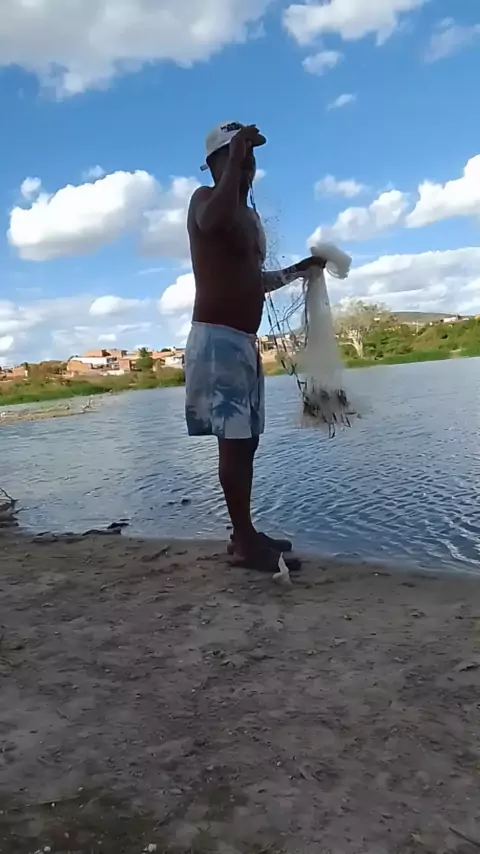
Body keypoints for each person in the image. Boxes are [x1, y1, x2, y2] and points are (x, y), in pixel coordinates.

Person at [185, 121, 325, 571]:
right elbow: (213, 221)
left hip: (245, 343)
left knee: (248, 442)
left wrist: (298, 271)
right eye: (237, 155)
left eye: (251, 157)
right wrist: (234, 164)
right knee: (234, 442)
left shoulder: (250, 218)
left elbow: (254, 281)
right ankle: (246, 543)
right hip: (217, 340)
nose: (248, 164)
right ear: (215, 164)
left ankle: (243, 532)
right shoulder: (205, 201)